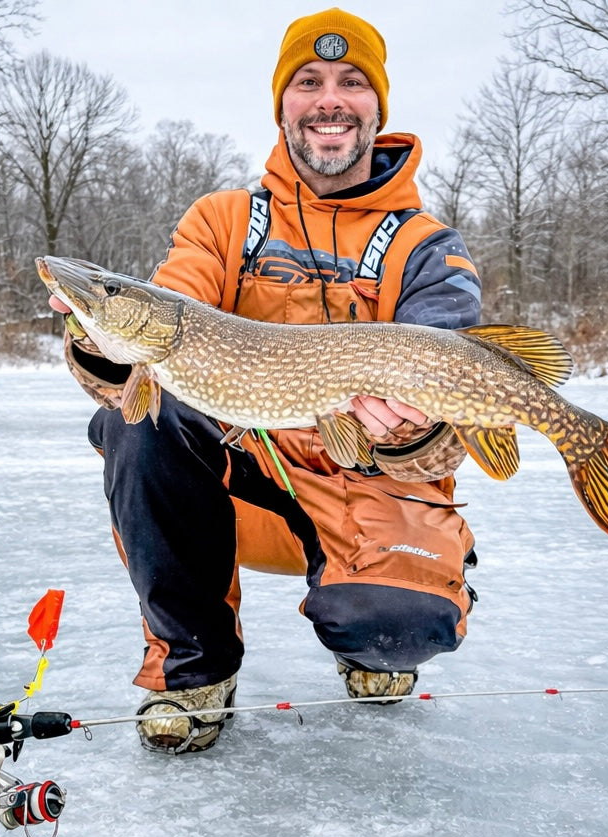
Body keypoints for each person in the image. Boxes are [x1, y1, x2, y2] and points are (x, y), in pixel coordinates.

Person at [51, 7, 481, 754]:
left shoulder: (425, 245)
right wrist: (100, 335)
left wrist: (410, 425)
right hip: (242, 484)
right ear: (282, 103)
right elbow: (152, 335)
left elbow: (454, 413)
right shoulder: (222, 222)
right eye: (307, 81)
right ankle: (194, 671)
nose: (328, 100)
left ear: (376, 107)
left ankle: (368, 633)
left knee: (393, 628)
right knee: (138, 419)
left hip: (364, 487)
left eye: (351, 82)